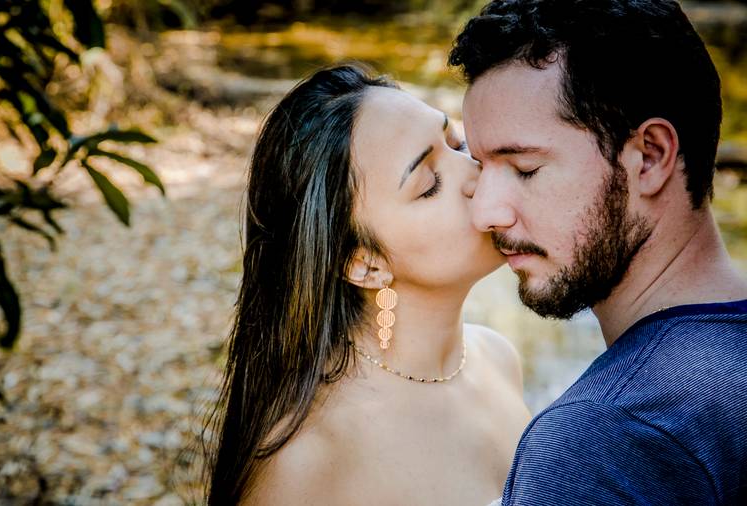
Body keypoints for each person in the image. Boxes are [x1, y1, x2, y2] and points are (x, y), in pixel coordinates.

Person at [449, 0, 747, 504]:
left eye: (524, 169)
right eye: (479, 166)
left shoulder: (602, 436)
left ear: (649, 156)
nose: (486, 213)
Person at [204, 64, 531, 505]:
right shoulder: (305, 460)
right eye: (429, 185)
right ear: (365, 264)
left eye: (456, 143)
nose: (477, 171)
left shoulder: (499, 359)